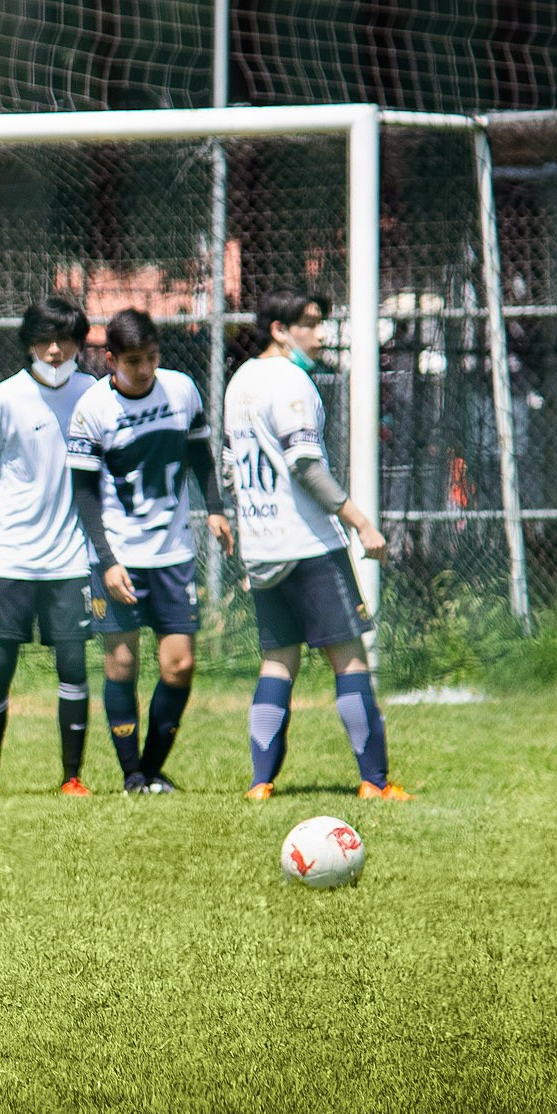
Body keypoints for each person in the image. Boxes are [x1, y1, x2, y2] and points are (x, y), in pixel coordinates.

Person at [224, 291, 410, 802]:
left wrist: (247, 535)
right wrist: (361, 523)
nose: (320, 334)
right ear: (280, 330)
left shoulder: (239, 380)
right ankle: (375, 783)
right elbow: (306, 466)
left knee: (278, 660)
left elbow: (230, 466)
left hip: (262, 545)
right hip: (307, 544)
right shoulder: (290, 382)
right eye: (310, 324)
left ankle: (261, 783)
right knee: (349, 659)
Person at [67, 309, 232, 795]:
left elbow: (200, 453)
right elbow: (84, 493)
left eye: (152, 357)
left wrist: (216, 508)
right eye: (134, 360)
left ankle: (153, 770)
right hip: (118, 557)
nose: (145, 369)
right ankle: (132, 776)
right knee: (121, 665)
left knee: (178, 665)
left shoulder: (181, 390)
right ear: (111, 359)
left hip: (173, 553)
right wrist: (107, 559)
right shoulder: (93, 408)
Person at [0, 296, 97, 796]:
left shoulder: (93, 394)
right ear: (30, 344)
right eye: (45, 340)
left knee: (73, 666)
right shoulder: (4, 397)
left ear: (79, 342)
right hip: (11, 556)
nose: (56, 350)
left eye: (65, 339)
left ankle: (72, 777)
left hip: (70, 559)